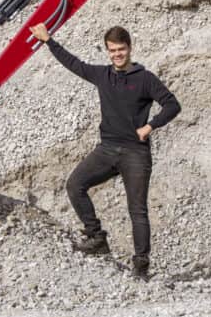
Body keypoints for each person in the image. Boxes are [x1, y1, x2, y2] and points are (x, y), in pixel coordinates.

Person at [29, 23, 180, 281]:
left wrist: (150, 126)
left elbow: (172, 105)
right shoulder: (102, 75)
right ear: (108, 51)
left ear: (129, 49)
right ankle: (96, 236)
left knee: (138, 210)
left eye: (121, 49)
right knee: (75, 184)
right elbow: (73, 63)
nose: (117, 54)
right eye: (112, 50)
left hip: (135, 153)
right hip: (107, 149)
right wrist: (48, 41)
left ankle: (141, 266)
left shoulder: (145, 79)